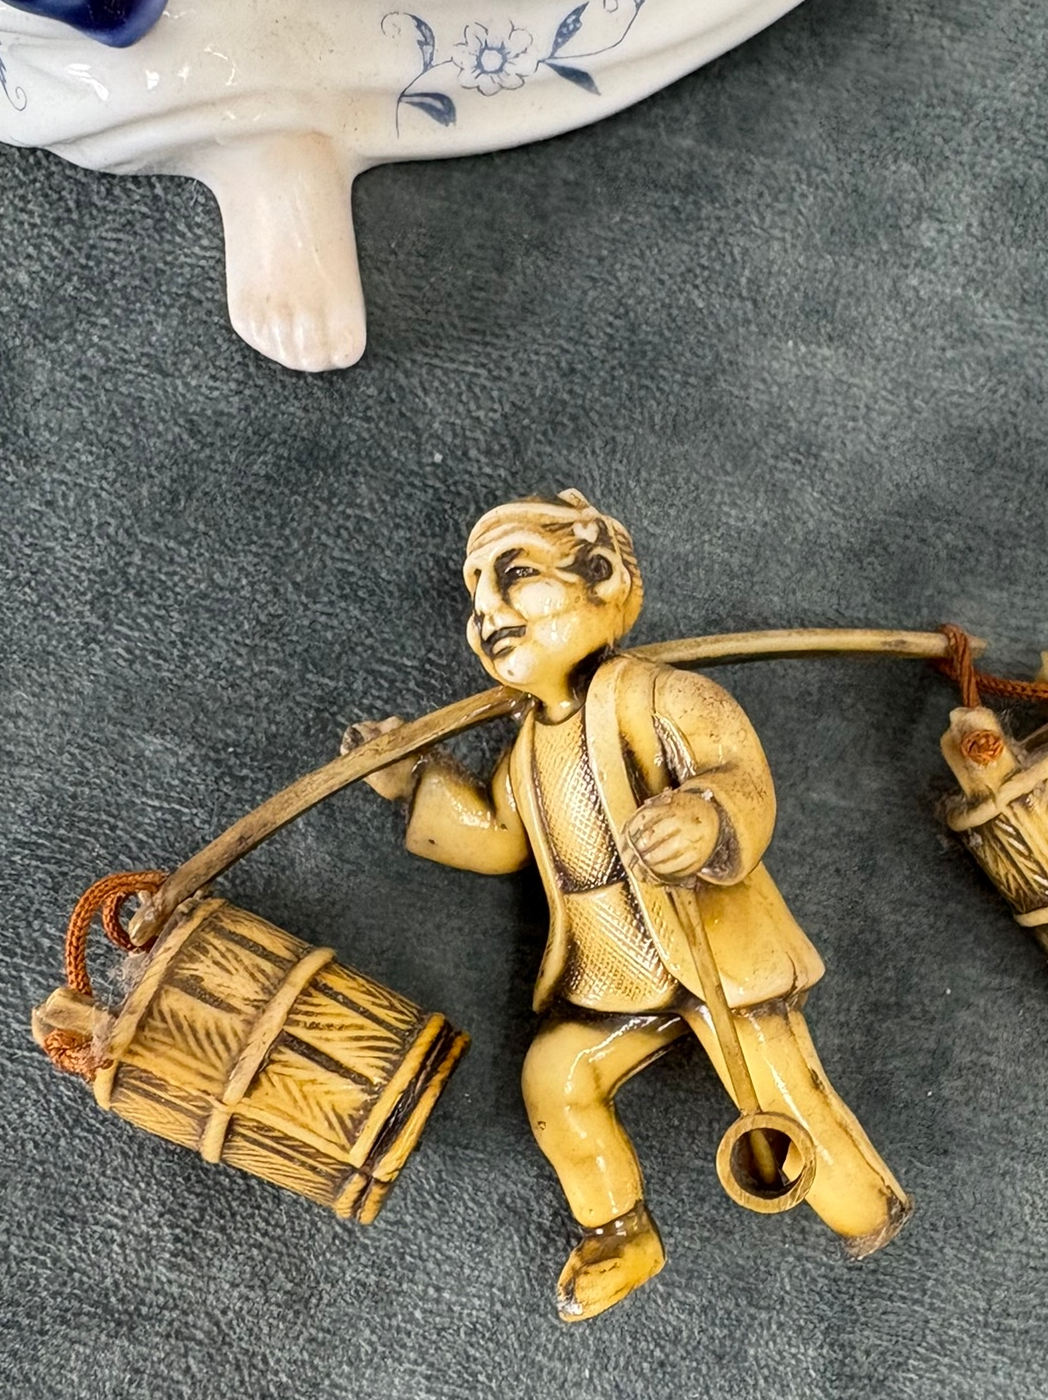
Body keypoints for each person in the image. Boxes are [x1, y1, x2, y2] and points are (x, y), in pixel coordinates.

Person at [345, 492, 910, 1322]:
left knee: (783, 1096)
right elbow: (500, 838)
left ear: (602, 577)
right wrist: (413, 783)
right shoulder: (527, 745)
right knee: (556, 1078)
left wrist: (706, 819)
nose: (487, 611)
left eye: (515, 575)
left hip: (713, 954)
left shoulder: (664, 697)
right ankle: (618, 1231)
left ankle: (863, 1211)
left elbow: (742, 777)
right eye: (475, 594)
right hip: (611, 974)